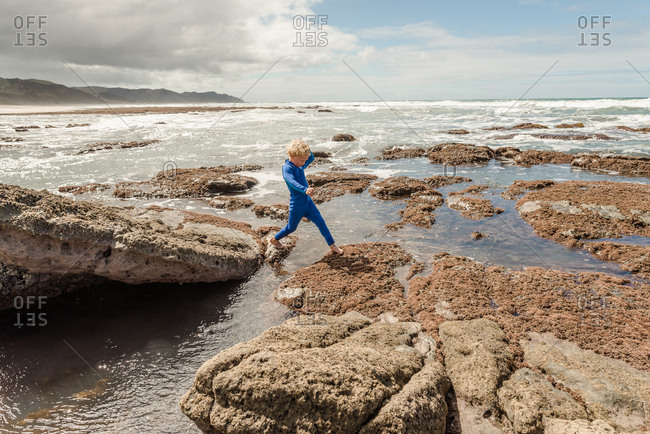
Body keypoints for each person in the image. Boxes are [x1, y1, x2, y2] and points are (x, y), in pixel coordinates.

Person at [270, 139, 344, 255]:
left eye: (304, 161)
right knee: (291, 228)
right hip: (297, 205)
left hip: (308, 203)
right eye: (301, 160)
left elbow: (312, 158)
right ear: (292, 155)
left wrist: (306, 147)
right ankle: (275, 239)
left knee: (321, 222)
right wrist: (305, 189)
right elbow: (291, 181)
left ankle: (332, 245)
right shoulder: (287, 168)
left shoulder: (300, 166)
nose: (304, 163)